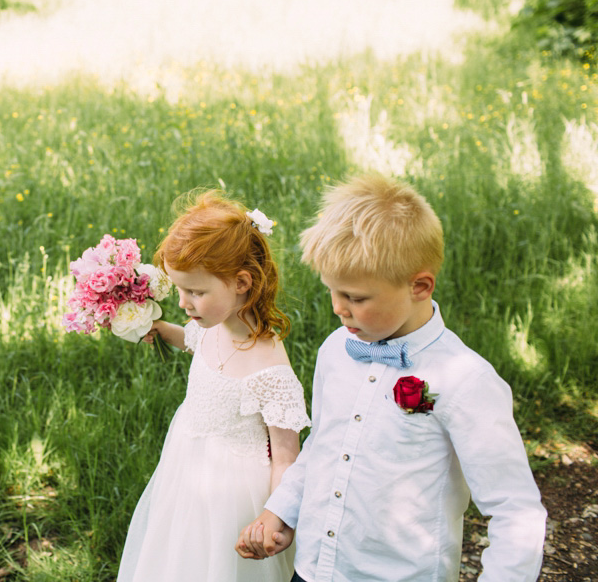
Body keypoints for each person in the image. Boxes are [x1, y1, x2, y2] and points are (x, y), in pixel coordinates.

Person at [235, 174, 547, 581]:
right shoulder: (336, 349)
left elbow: (514, 508)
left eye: (357, 298)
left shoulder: (464, 380)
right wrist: (282, 512)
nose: (338, 309)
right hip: (315, 569)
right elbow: (324, 447)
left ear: (420, 285)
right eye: (333, 291)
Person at [116, 190, 310, 582]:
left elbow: (287, 458)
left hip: (233, 493)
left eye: (197, 292)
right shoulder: (211, 328)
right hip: (186, 464)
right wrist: (155, 327)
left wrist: (277, 519)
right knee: (178, 553)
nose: (185, 303)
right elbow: (190, 339)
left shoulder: (270, 370)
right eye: (181, 290)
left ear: (241, 282)